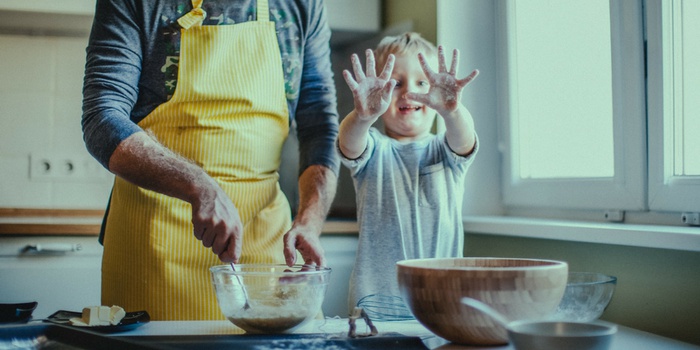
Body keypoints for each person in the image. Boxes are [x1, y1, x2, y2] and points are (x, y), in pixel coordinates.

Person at [81, 0, 339, 320]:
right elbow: (102, 118)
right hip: (153, 244)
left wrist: (310, 222)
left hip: (265, 245)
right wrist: (199, 185)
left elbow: (321, 124)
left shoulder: (304, 5)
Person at [337, 32, 479, 320]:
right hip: (375, 307)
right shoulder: (374, 148)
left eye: (421, 83)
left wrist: (453, 112)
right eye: (395, 83)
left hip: (443, 304)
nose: (407, 92)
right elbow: (349, 143)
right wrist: (362, 116)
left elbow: (465, 139)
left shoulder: (446, 149)